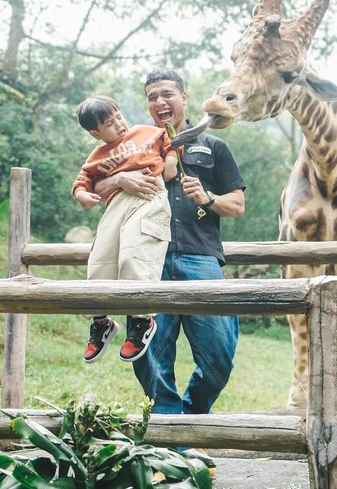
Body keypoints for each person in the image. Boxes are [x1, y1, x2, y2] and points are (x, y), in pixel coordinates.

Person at [94, 67, 246, 416]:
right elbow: (91, 187)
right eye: (151, 97)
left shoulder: (214, 147)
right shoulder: (130, 147)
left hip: (201, 260)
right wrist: (123, 179)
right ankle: (172, 443)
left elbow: (237, 205)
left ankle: (190, 422)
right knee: (149, 356)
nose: (159, 102)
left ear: (184, 96)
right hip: (148, 261)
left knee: (219, 356)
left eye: (167, 94)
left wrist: (207, 198)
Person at [72, 95, 180, 365]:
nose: (119, 124)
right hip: (115, 204)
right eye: (109, 124)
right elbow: (83, 180)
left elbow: (171, 142)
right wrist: (82, 194)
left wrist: (170, 160)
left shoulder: (146, 132)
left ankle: (142, 321)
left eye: (119, 116)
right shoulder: (97, 156)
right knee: (100, 263)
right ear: (95, 133)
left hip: (148, 195)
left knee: (134, 255)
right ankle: (102, 322)